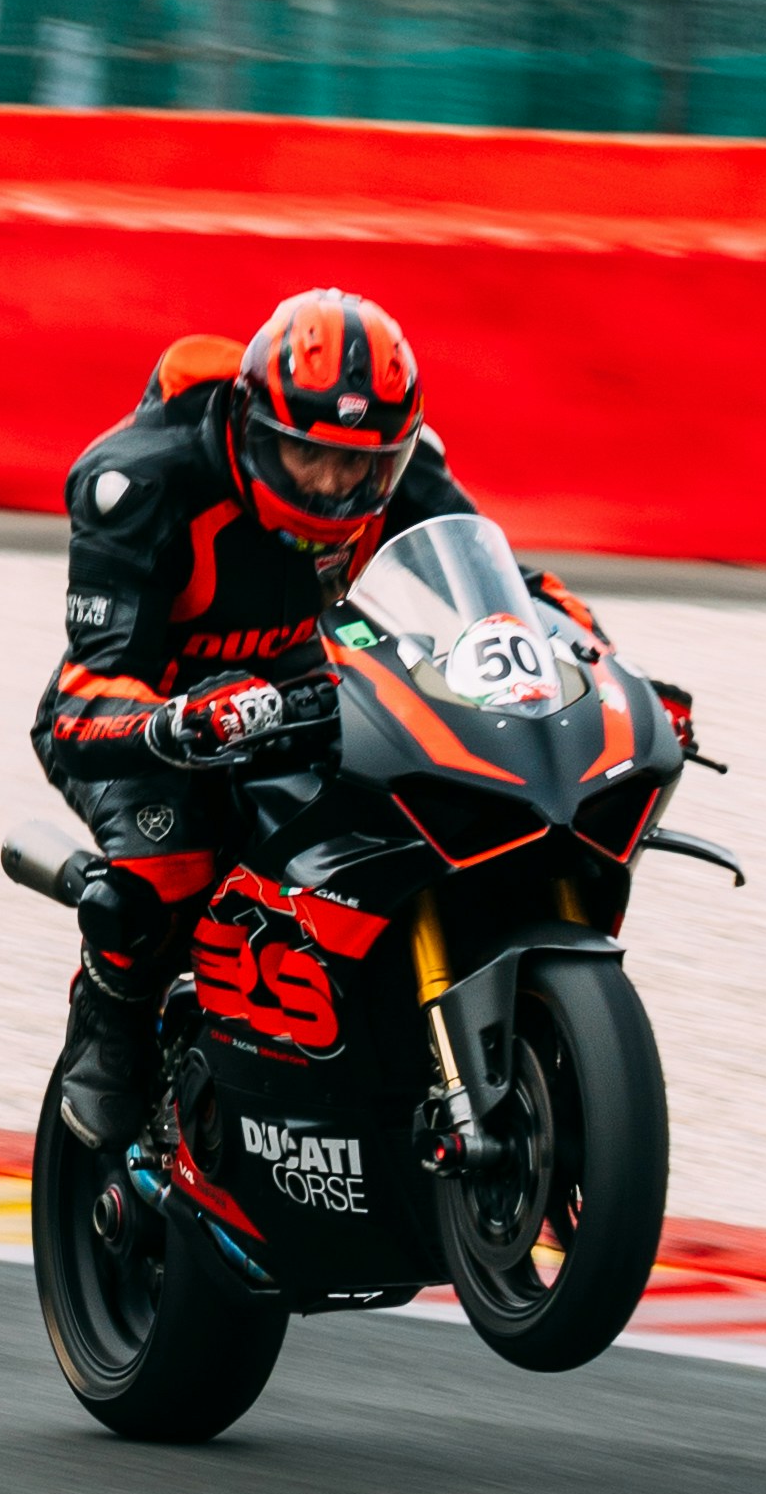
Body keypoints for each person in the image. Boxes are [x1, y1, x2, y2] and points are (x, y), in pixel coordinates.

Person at [32, 286, 458, 1152]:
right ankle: (110, 1021)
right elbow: (84, 692)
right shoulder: (140, 481)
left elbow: (494, 601)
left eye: (362, 465)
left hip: (316, 700)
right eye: (312, 458)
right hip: (151, 718)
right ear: (255, 428)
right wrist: (175, 726)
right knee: (173, 860)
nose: (339, 486)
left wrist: (596, 663)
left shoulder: (405, 471)